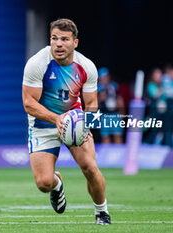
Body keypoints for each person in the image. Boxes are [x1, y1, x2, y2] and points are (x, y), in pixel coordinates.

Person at [22, 18, 111, 225]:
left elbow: (91, 103)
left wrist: (85, 125)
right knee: (44, 183)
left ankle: (102, 212)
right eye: (54, 39)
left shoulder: (86, 66)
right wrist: (56, 119)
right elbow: (29, 103)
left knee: (90, 166)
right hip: (43, 125)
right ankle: (57, 183)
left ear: (75, 43)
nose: (58, 44)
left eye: (64, 39)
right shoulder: (37, 63)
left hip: (75, 121)